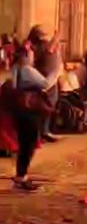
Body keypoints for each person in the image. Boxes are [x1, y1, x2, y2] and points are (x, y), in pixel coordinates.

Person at [8, 46, 61, 191]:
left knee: (23, 143)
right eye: (31, 53)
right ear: (25, 56)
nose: (33, 56)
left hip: (19, 110)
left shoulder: (15, 69)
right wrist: (56, 72)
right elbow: (45, 84)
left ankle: (20, 175)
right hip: (30, 110)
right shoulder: (27, 70)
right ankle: (21, 176)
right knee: (29, 144)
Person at [27, 25, 62, 143]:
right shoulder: (40, 46)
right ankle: (40, 133)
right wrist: (56, 37)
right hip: (45, 80)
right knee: (43, 107)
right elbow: (50, 49)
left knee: (49, 106)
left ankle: (44, 131)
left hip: (51, 80)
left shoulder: (41, 46)